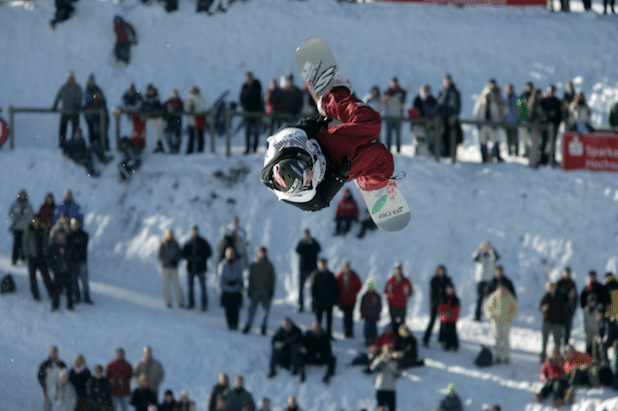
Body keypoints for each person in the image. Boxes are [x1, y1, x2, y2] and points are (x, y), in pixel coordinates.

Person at [260, 85, 394, 212]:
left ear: (299, 160)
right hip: (333, 171)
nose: (310, 177)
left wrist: (319, 121)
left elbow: (304, 127)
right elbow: (321, 202)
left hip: (324, 144)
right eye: (305, 183)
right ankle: (365, 179)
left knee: (371, 122)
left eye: (307, 173)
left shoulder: (288, 141)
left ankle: (331, 100)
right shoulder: (298, 196)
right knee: (384, 162)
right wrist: (339, 177)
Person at [243, 246, 275, 335]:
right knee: (251, 311)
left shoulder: (269, 265)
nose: (261, 254)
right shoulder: (254, 265)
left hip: (266, 293)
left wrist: (271, 290)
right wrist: (249, 290)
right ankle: (248, 325)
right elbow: (250, 279)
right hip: (255, 292)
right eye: (260, 252)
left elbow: (272, 279)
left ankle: (263, 327)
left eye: (263, 252)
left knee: (265, 312)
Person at [23, 213, 53, 300]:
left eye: (37, 220)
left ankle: (51, 292)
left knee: (46, 276)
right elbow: (25, 243)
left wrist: (46, 253)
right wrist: (27, 254)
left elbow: (46, 242)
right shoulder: (28, 229)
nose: (36, 222)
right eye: (34, 220)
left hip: (41, 257)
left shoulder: (43, 229)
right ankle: (35, 294)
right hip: (32, 257)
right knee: (32, 278)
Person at [485, 284, 518, 364]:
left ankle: (507, 357)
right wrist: (491, 317)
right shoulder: (493, 296)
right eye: (500, 287)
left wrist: (510, 318)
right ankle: (498, 357)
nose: (501, 289)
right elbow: (488, 308)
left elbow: (515, 309)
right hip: (496, 322)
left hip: (506, 323)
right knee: (497, 340)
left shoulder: (509, 297)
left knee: (506, 340)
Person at [181, 225, 212, 311]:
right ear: (191, 232)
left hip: (201, 268)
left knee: (203, 287)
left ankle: (204, 305)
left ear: (198, 231)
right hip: (191, 268)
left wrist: (201, 257)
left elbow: (209, 252)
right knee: (190, 287)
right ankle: (191, 303)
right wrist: (189, 258)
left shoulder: (202, 242)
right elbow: (183, 253)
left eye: (195, 231)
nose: (194, 232)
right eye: (193, 231)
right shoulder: (188, 242)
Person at [423, 265, 453, 348]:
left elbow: (451, 291)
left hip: (444, 305)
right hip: (435, 304)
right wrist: (439, 300)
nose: (441, 272)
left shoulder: (448, 280)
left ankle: (441, 340)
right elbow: (433, 293)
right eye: (439, 270)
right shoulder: (434, 280)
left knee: (443, 323)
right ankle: (426, 339)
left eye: (442, 270)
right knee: (432, 321)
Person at [473, 81, 504, 163]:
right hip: (483, 125)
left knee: (495, 139)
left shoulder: (493, 104)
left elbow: (496, 115)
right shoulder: (480, 104)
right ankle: (484, 156)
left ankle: (496, 155)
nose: (488, 97)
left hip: (491, 125)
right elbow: (476, 114)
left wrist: (496, 123)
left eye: (489, 96)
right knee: (482, 141)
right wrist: (478, 123)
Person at [53, 71, 83, 150]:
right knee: (63, 129)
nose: (70, 79)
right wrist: (55, 104)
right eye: (69, 78)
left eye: (71, 78)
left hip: (74, 112)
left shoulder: (77, 87)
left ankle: (74, 144)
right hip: (65, 112)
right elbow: (58, 96)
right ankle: (62, 144)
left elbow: (80, 97)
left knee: (75, 130)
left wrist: (78, 105)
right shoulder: (64, 87)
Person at [310, 258, 339, 339]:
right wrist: (315, 300)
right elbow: (312, 289)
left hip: (329, 302)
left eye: (324, 264)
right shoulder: (315, 275)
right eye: (321, 264)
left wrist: (335, 299)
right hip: (319, 302)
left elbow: (335, 288)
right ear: (318, 265)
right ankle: (319, 334)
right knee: (318, 320)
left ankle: (329, 334)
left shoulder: (330, 275)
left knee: (329, 320)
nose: (323, 265)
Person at [472, 240, 500, 321]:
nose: (486, 248)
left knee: (491, 298)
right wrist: (481, 249)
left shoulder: (492, 255)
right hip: (481, 279)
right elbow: (474, 257)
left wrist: (491, 248)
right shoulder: (479, 255)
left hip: (490, 280)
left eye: (487, 246)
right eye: (484, 246)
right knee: (479, 298)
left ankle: (491, 315)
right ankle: (477, 316)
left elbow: (497, 256)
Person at [539, 281, 567, 363]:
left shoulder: (560, 297)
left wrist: (562, 323)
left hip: (557, 323)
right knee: (545, 340)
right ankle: (543, 356)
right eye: (549, 287)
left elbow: (563, 311)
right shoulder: (545, 297)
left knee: (557, 341)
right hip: (547, 322)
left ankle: (557, 357)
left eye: (552, 287)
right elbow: (540, 308)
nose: (551, 289)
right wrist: (543, 308)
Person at [335, 259, 362, 338]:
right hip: (343, 300)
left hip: (352, 300)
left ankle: (350, 332)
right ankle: (346, 332)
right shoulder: (339, 275)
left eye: (348, 266)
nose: (347, 267)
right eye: (345, 266)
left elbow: (359, 284)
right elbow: (336, 286)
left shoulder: (354, 275)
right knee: (345, 317)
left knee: (350, 316)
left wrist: (355, 292)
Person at [68, 217, 93, 304]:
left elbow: (81, 244)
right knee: (74, 281)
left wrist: (74, 245)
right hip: (72, 262)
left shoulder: (83, 235)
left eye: (76, 224)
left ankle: (87, 297)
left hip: (82, 261)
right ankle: (77, 297)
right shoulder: (68, 235)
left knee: (84, 281)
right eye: (73, 224)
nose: (74, 226)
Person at [295, 229, 321, 312]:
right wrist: (304, 243)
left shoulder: (314, 242)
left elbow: (318, 249)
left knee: (313, 288)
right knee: (301, 288)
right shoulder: (302, 242)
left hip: (313, 269)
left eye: (308, 235)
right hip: (303, 269)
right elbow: (297, 250)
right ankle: (301, 305)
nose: (307, 236)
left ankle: (314, 306)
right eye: (305, 235)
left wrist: (311, 243)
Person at [157, 229, 185, 308]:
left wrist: (176, 260)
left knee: (176, 285)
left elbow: (179, 254)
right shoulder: (163, 244)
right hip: (165, 267)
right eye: (168, 234)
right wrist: (168, 260)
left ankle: (180, 302)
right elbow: (160, 255)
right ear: (166, 234)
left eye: (171, 234)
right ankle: (168, 302)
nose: (170, 235)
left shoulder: (175, 244)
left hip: (174, 268)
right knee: (166, 285)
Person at [437, 74, 462, 158]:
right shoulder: (442, 92)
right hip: (443, 117)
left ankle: (452, 155)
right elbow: (439, 104)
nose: (447, 82)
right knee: (443, 135)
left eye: (448, 80)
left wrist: (455, 115)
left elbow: (458, 105)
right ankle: (445, 154)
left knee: (453, 136)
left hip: (451, 117)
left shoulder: (455, 92)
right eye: (446, 81)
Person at [219, 246, 244, 330]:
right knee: (228, 309)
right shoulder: (223, 265)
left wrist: (239, 286)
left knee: (236, 309)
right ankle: (230, 324)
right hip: (226, 290)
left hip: (236, 289)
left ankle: (235, 324)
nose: (230, 255)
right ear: (226, 255)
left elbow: (240, 277)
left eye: (232, 253)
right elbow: (220, 279)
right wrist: (224, 288)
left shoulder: (238, 264)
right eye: (229, 254)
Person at [384, 262, 413, 332]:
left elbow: (410, 291)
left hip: (402, 305)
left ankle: (402, 339)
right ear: (394, 270)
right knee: (393, 323)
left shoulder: (406, 281)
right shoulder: (390, 280)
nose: (398, 271)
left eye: (399, 269)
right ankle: (393, 339)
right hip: (392, 305)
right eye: (396, 269)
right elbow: (385, 291)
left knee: (402, 324)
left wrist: (405, 298)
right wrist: (389, 298)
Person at [240, 72, 264, 154]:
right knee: (247, 131)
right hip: (247, 112)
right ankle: (247, 147)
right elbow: (242, 98)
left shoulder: (256, 84)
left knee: (256, 131)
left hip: (256, 111)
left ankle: (255, 148)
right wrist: (245, 107)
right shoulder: (245, 86)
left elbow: (256, 97)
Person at [50, 230, 74, 312]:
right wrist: (53, 267)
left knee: (69, 289)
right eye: (60, 235)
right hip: (58, 270)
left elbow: (73, 257)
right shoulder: (54, 245)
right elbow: (50, 258)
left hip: (67, 270)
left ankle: (70, 305)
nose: (61, 237)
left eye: (63, 235)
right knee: (56, 289)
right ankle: (55, 305)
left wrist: (71, 266)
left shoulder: (68, 245)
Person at [370, 345, 399, 411]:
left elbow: (398, 373)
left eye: (389, 352)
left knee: (392, 408)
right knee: (380, 408)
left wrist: (389, 362)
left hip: (391, 389)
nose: (387, 353)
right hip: (380, 388)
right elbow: (373, 368)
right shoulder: (379, 359)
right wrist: (381, 360)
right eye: (386, 352)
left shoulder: (394, 361)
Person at [9, 189, 34, 265]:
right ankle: (14, 258)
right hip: (17, 227)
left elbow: (31, 215)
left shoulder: (28, 205)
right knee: (16, 243)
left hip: (25, 227)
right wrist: (15, 217)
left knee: (24, 244)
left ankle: (23, 258)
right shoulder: (15, 204)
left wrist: (28, 221)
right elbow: (10, 213)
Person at [38, 346, 67, 411]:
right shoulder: (45, 365)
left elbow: (65, 376)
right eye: (52, 352)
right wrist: (44, 385)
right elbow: (40, 376)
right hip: (48, 389)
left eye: (55, 351)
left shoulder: (61, 364)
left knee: (60, 406)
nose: (53, 353)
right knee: (48, 407)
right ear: (50, 352)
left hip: (59, 389)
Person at [381, 77, 406, 153]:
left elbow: (402, 102)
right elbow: (382, 102)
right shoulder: (387, 92)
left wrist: (393, 98)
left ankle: (398, 150)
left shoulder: (401, 92)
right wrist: (386, 98)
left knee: (398, 136)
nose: (394, 85)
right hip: (389, 117)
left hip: (398, 116)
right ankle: (388, 150)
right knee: (388, 135)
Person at [540, 85, 562, 166]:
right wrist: (547, 114)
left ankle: (552, 158)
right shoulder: (543, 101)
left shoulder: (557, 102)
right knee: (544, 143)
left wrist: (556, 122)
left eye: (552, 91)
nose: (551, 92)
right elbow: (541, 112)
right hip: (545, 126)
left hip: (554, 126)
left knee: (553, 143)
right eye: (549, 91)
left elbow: (560, 114)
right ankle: (542, 159)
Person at [556, 267, 578, 346]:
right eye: (566, 273)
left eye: (569, 273)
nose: (567, 274)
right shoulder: (559, 283)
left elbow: (575, 298)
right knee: (558, 334)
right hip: (560, 313)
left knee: (567, 333)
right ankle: (557, 353)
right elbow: (557, 296)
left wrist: (573, 310)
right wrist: (567, 294)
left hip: (569, 312)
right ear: (563, 273)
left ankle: (566, 352)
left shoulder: (572, 283)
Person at [141, 85, 165, 154]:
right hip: (152, 117)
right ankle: (158, 146)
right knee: (155, 132)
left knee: (159, 132)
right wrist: (150, 107)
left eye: (152, 90)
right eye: (149, 90)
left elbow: (157, 105)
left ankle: (160, 146)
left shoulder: (156, 97)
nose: (151, 92)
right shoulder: (145, 98)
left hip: (159, 117)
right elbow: (144, 107)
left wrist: (151, 106)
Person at [121, 83, 145, 148]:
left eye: (131, 90)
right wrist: (131, 108)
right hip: (131, 116)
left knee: (141, 130)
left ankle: (141, 145)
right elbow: (124, 106)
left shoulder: (137, 94)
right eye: (129, 90)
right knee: (136, 130)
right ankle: (135, 144)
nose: (130, 91)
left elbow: (140, 104)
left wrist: (132, 108)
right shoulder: (125, 95)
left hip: (140, 115)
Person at [437, 285, 460, 351]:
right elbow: (439, 307)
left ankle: (455, 345)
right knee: (446, 332)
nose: (449, 291)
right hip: (445, 319)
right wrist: (445, 312)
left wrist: (450, 312)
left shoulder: (455, 299)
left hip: (452, 319)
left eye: (451, 289)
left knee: (453, 332)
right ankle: (447, 344)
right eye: (448, 289)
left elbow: (457, 308)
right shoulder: (443, 298)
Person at [360, 279, 382, 345]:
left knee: (374, 328)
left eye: (372, 287)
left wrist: (378, 313)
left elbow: (379, 306)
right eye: (370, 287)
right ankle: (367, 340)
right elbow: (362, 305)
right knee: (367, 328)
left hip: (374, 315)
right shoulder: (365, 296)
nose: (371, 288)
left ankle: (374, 340)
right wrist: (362, 313)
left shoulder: (377, 296)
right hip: (367, 315)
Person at [185, 86, 207, 154]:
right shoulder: (188, 99)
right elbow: (186, 108)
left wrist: (195, 109)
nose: (193, 92)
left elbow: (202, 107)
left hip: (199, 119)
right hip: (191, 120)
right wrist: (190, 109)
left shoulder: (201, 98)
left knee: (200, 135)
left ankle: (200, 149)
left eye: (194, 90)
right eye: (192, 90)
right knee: (191, 136)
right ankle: (190, 150)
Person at [163, 89, 184, 154]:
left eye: (175, 94)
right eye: (173, 94)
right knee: (167, 133)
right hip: (170, 121)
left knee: (178, 135)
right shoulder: (168, 102)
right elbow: (163, 108)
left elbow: (181, 109)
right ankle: (171, 148)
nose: (174, 96)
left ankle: (177, 148)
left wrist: (173, 110)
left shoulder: (180, 102)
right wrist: (167, 114)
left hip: (178, 121)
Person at [503, 84, 519, 156]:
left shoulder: (516, 98)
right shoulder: (505, 98)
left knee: (515, 138)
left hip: (515, 121)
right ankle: (509, 152)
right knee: (508, 138)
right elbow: (502, 109)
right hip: (507, 121)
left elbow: (520, 107)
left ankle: (516, 152)